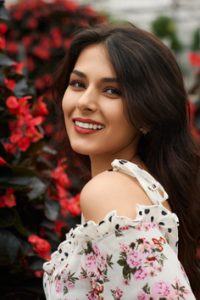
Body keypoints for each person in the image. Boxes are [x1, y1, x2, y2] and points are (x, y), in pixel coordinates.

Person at [43, 24, 200, 299]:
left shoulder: (109, 192)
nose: (85, 102)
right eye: (78, 84)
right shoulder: (139, 186)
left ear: (149, 113)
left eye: (112, 91)